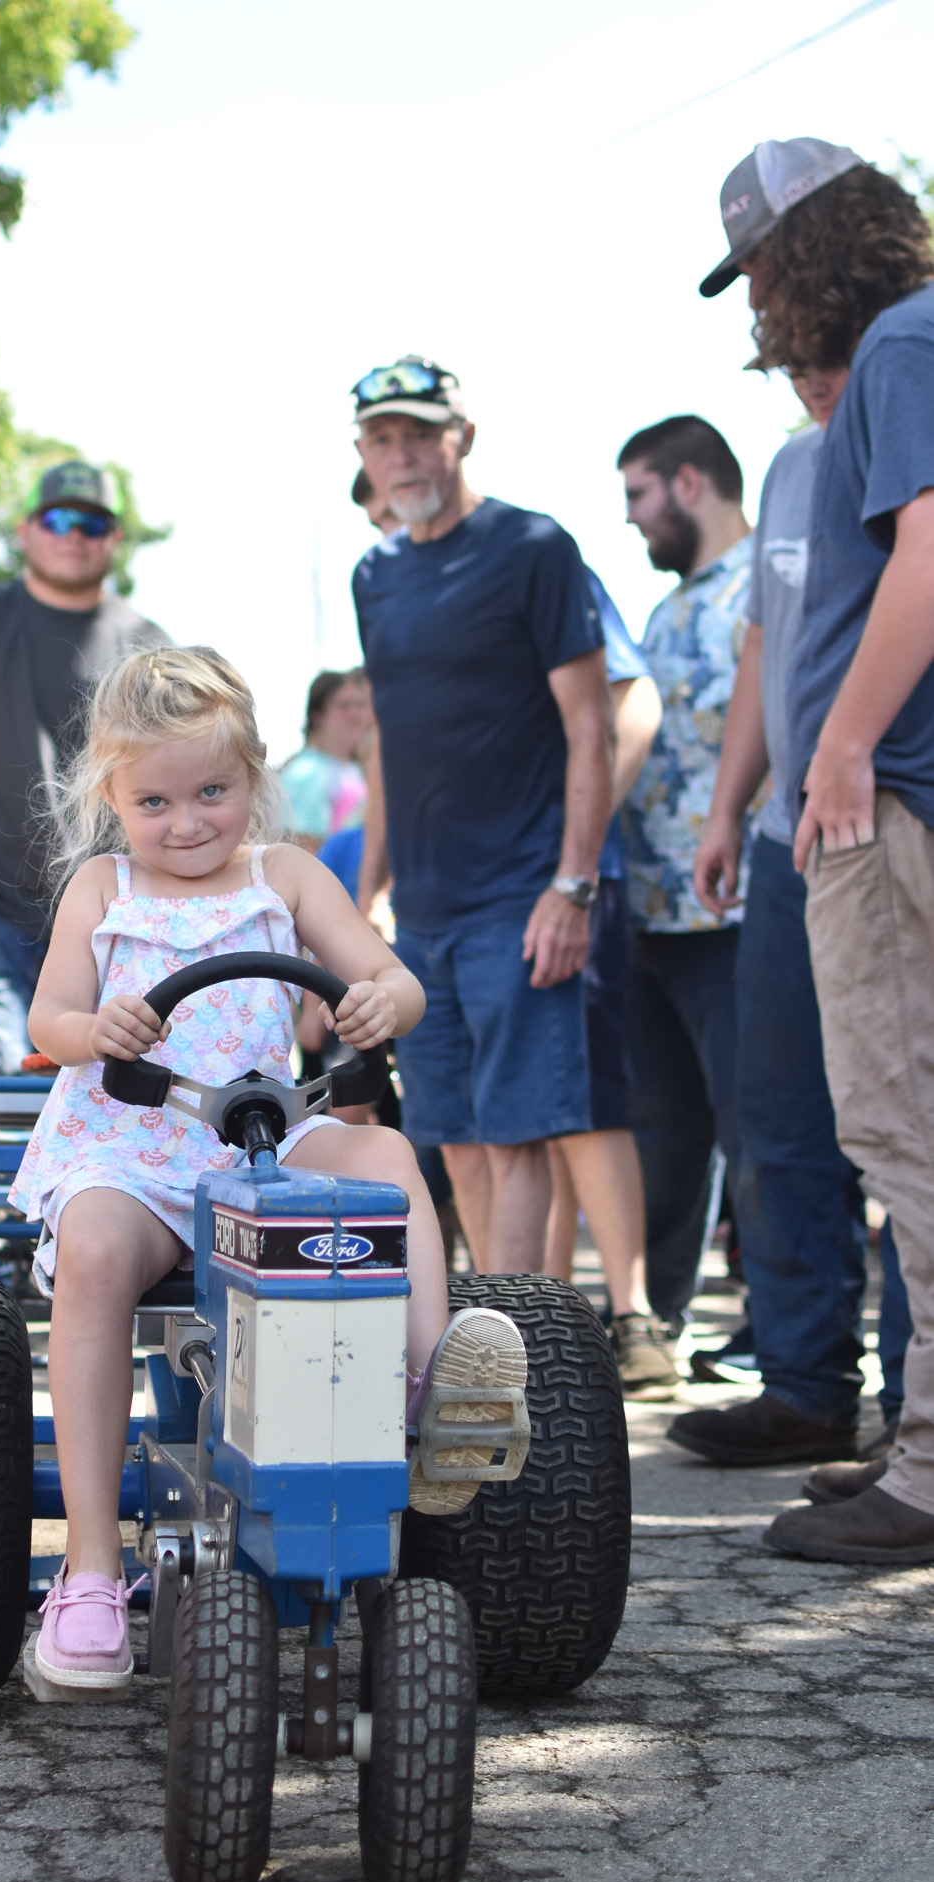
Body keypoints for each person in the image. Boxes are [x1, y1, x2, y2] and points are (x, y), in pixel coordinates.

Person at [7, 644, 527, 1699]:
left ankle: (428, 1394)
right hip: (136, 1146)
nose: (189, 820)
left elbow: (385, 972)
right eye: (156, 799)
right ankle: (95, 1565)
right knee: (98, 1247)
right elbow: (47, 1017)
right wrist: (93, 1025)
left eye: (213, 790)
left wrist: (385, 997)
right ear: (112, 796)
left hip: (261, 1134)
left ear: (253, 776)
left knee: (383, 1153)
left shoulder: (283, 872)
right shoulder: (101, 886)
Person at [691, 141, 934, 1563]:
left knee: (902, 1133)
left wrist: (837, 748)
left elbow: (926, 548)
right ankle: (910, 1426)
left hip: (887, 795)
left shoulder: (902, 340)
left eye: (762, 272)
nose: (761, 308)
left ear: (813, 248)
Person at [351, 356, 611, 1274]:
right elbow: (386, 741)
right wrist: (367, 891)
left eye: (421, 432)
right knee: (449, 1135)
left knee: (516, 1137)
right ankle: (479, 1348)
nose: (404, 455)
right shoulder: (373, 576)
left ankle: (516, 1360)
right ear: (361, 455)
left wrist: (572, 887)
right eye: (383, 439)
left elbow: (592, 725)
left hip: (522, 895)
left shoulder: (533, 547)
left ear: (462, 436)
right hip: (421, 912)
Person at [681, 345, 879, 1464]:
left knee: (903, 1130)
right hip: (781, 841)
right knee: (778, 1125)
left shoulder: (907, 432)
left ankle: (915, 1405)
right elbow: (767, 644)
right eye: (782, 347)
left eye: (823, 341)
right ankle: (805, 1385)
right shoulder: (792, 464)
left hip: (890, 819)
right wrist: (728, 806)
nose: (803, 365)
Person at [0, 460, 169, 1078]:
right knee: (1, 1102)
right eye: (58, 518)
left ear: (114, 540)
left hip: (112, 911)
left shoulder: (150, 645)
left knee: (106, 1095)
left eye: (93, 522)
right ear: (24, 530)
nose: (75, 534)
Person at [617, 416, 753, 1322]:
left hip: (737, 910)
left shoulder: (763, 585)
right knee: (662, 1135)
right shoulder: (666, 609)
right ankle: (658, 1322)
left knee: (759, 1131)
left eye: (638, 494)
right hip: (647, 912)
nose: (630, 519)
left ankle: (778, 1341)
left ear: (689, 481)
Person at [545, 569, 677, 1396]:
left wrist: (576, 854)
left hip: (569, 879)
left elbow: (636, 705)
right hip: (485, 886)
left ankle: (633, 1317)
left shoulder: (541, 567)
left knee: (584, 1101)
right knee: (536, 1121)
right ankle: (542, 1321)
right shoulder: (403, 586)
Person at [277, 668, 373, 850]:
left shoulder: (353, 769)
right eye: (343, 706)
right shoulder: (306, 772)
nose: (355, 714)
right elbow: (302, 848)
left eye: (360, 705)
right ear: (317, 715)